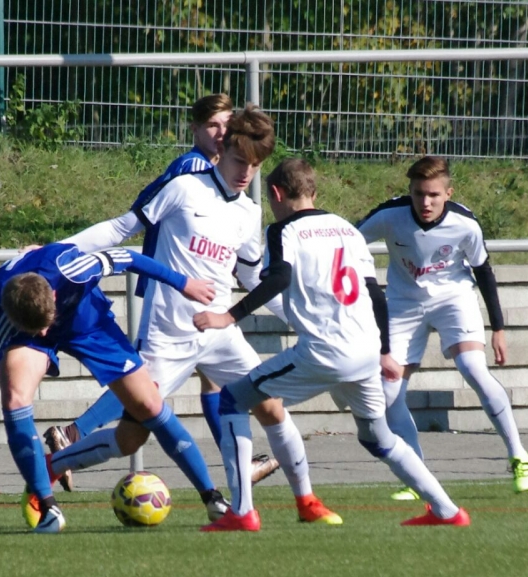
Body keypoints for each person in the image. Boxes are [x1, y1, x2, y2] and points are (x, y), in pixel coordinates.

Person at [50, 106, 340, 526]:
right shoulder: (184, 187)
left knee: (271, 408)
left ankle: (306, 501)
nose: (246, 173)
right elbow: (121, 228)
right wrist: (58, 250)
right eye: (240, 161)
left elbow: (251, 275)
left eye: (255, 167)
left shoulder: (247, 211)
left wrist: (302, 317)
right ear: (221, 150)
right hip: (168, 335)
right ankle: (52, 465)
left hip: (220, 333)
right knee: (131, 437)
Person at [195, 157, 470, 531]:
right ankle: (447, 510)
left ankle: (241, 512)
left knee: (232, 399)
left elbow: (277, 279)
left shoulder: (283, 231)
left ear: (276, 193)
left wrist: (228, 316)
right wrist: (386, 350)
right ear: (314, 192)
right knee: (377, 437)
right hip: (366, 351)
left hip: (324, 351)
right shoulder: (346, 229)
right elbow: (375, 295)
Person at [0, 242, 215, 534]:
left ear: (54, 295)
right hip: (28, 333)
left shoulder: (72, 269)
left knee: (147, 406)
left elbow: (127, 257)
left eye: (46, 325)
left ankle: (213, 499)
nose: (46, 332)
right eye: (39, 329)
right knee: (14, 398)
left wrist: (183, 283)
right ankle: (49, 510)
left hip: (84, 318)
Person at [356, 156, 528, 497]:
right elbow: (347, 241)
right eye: (418, 194)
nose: (425, 202)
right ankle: (416, 474)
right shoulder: (389, 215)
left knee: (472, 368)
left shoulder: (464, 223)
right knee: (390, 392)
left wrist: (498, 327)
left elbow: (483, 270)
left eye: (434, 195)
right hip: (403, 304)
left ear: (448, 193)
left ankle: (519, 455)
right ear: (409, 191)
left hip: (454, 299)